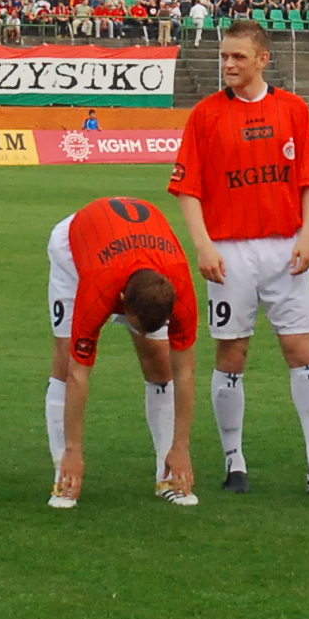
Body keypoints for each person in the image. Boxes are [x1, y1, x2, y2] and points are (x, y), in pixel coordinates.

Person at [169, 18, 309, 495]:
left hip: (285, 248)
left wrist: (307, 237)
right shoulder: (205, 115)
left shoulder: (293, 109)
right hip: (230, 251)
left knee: (301, 348)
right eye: (224, 56)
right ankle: (235, 461)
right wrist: (203, 244)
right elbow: (187, 188)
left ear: (263, 59)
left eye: (238, 57)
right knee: (232, 351)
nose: (228, 64)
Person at [42, 194, 201, 509]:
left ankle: (168, 477)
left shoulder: (180, 288)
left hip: (138, 255)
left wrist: (181, 447)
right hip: (75, 251)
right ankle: (64, 477)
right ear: (122, 303)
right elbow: (78, 373)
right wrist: (74, 451)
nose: (141, 334)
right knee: (65, 359)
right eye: (137, 326)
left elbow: (185, 372)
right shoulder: (98, 288)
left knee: (160, 364)